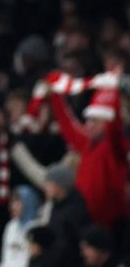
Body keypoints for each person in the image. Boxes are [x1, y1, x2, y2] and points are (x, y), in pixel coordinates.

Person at [49, 88, 127, 228]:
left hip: (109, 224)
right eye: (88, 120)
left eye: (95, 120)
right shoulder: (87, 144)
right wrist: (55, 95)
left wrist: (114, 92)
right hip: (85, 220)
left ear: (107, 122)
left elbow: (115, 127)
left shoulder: (114, 148)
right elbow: (67, 125)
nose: (89, 125)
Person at [0, 185, 41, 267]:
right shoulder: (11, 226)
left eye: (17, 202)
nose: (12, 206)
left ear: (28, 202)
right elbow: (6, 259)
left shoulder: (37, 227)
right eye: (12, 201)